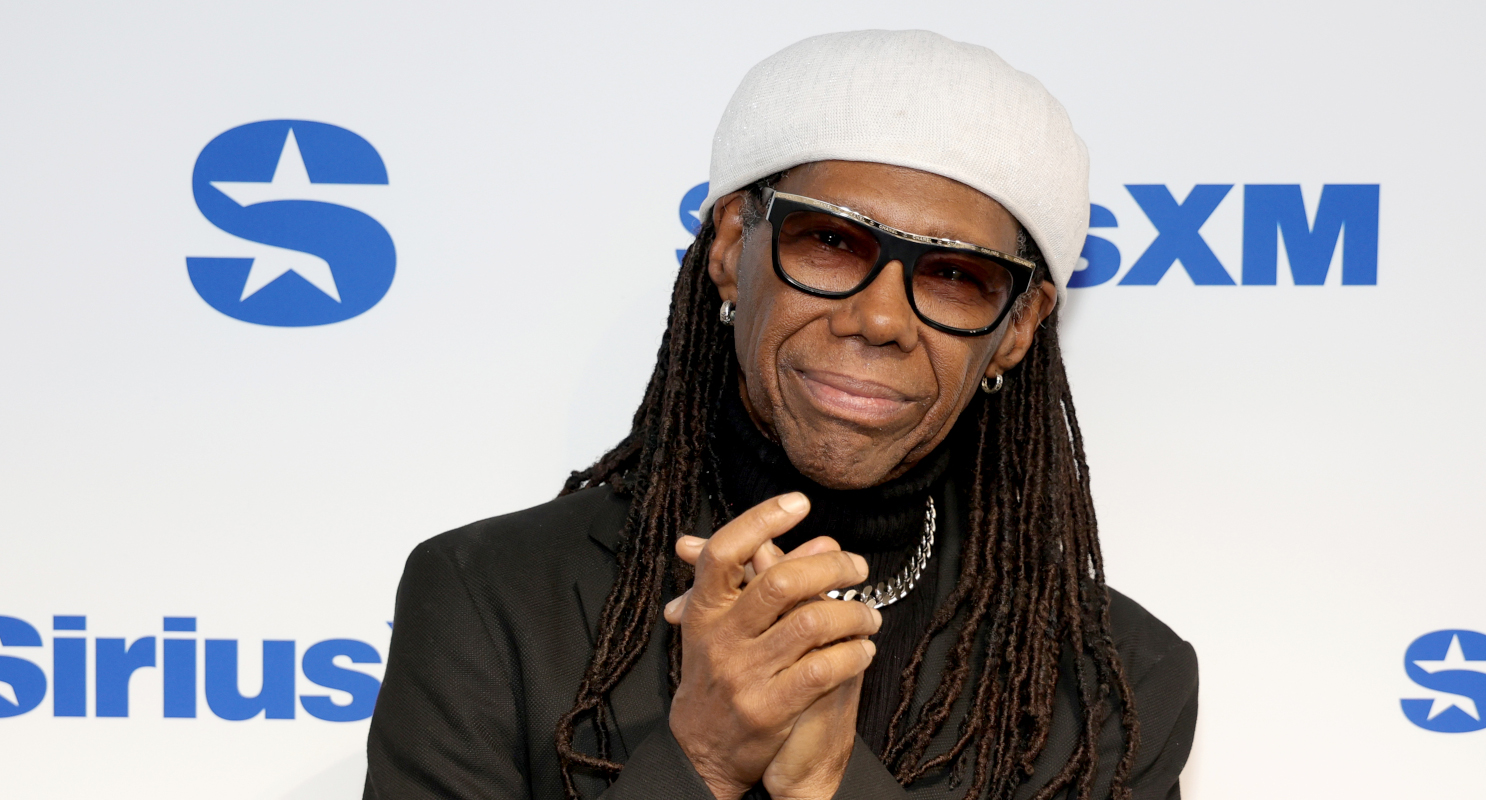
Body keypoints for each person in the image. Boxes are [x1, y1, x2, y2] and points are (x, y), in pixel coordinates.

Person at [365, 30, 1197, 800]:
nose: (881, 318)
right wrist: (702, 758)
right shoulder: (491, 598)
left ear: (1016, 328)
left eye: (954, 275)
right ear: (733, 246)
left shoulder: (1118, 682)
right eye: (831, 242)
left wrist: (833, 782)